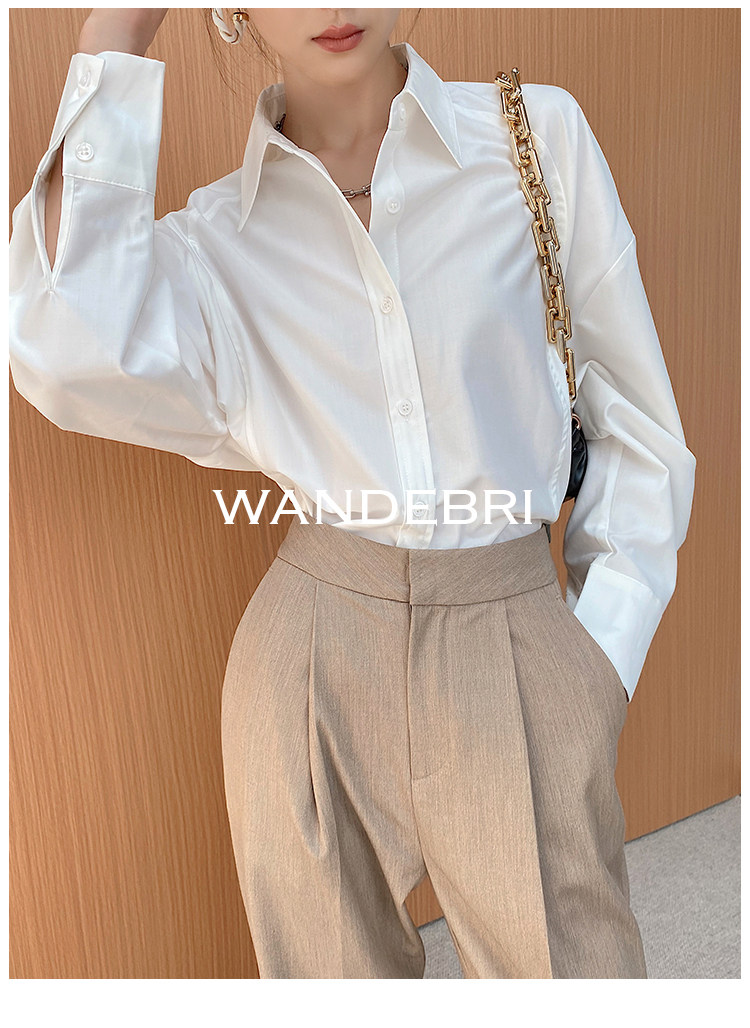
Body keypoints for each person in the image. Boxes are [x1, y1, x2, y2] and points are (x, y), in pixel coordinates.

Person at [9, 8, 696, 979]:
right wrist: (113, 31)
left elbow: (635, 420)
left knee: (571, 974)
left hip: (511, 628)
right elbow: (63, 344)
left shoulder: (534, 138)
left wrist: (596, 664)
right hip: (309, 656)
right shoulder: (218, 240)